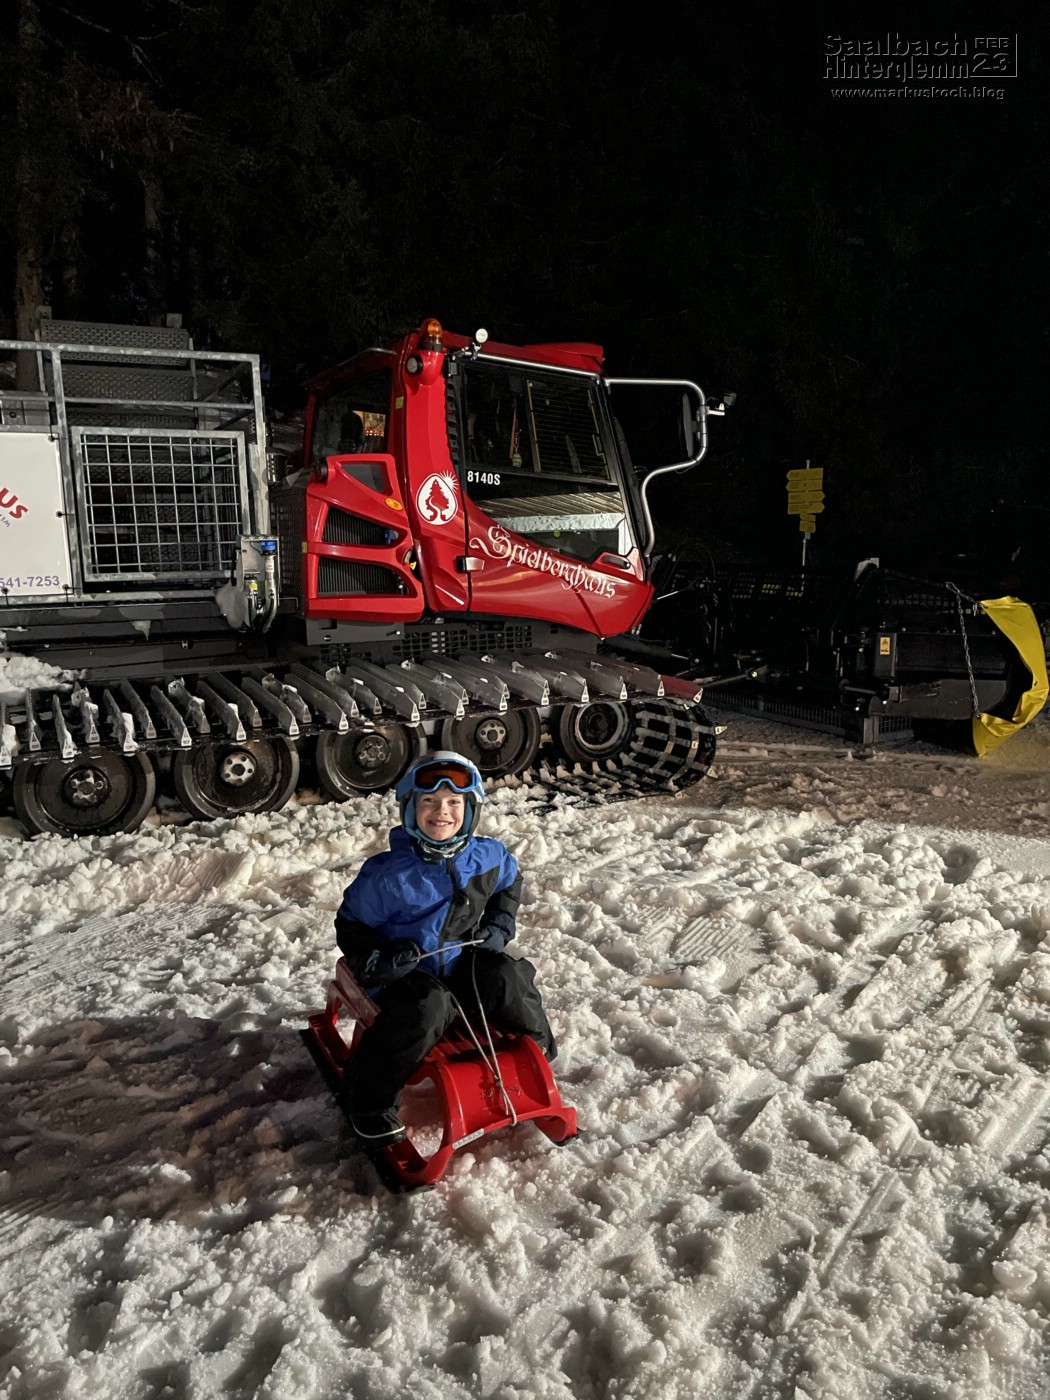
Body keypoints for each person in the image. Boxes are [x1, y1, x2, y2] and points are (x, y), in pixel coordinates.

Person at [334, 751, 557, 1149]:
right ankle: (367, 1102)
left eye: (455, 802)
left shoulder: (486, 857)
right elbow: (351, 924)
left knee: (506, 976)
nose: (442, 812)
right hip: (404, 975)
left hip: (458, 960)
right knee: (427, 1008)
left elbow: (510, 881)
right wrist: (378, 961)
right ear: (410, 808)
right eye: (430, 801)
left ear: (470, 810)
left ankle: (536, 1051)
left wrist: (499, 925)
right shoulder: (387, 876)